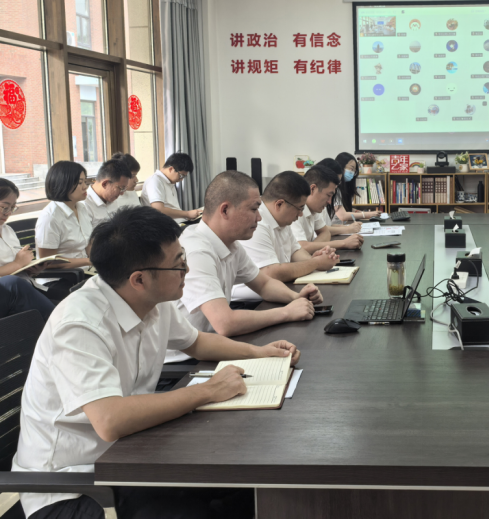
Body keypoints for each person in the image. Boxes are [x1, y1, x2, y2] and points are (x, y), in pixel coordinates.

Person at [12, 206, 300, 519]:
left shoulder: (150, 299)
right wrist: (208, 390)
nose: (187, 270)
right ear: (139, 279)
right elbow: (110, 421)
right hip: (71, 483)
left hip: (129, 454)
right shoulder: (80, 323)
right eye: (178, 264)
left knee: (245, 484)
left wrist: (259, 352)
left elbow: (196, 342)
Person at [174, 171, 320, 349]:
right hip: (189, 359)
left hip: (214, 345)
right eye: (253, 209)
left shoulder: (232, 245)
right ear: (225, 210)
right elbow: (225, 323)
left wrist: (296, 297)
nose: (259, 217)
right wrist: (287, 312)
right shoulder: (197, 251)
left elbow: (264, 284)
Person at [235, 172, 339, 289]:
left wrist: (315, 260)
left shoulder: (282, 220)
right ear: (279, 204)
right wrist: (316, 263)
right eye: (300, 208)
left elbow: (295, 252)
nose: (300, 214)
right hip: (250, 299)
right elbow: (271, 273)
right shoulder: (257, 223)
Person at [0, 178, 54, 321]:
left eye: (12, 208)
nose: (8, 213)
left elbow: (16, 269)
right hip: (8, 292)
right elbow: (11, 275)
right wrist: (17, 264)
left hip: (24, 289)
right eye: (4, 207)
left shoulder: (8, 231)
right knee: (12, 283)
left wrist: (30, 269)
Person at [291, 165, 364, 253]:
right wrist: (343, 243)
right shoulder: (294, 210)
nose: (330, 202)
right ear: (312, 189)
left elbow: (326, 233)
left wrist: (312, 248)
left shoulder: (314, 209)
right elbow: (301, 248)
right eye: (328, 195)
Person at [35, 161, 92, 270]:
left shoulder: (81, 208)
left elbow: (88, 245)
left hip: (85, 271)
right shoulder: (50, 217)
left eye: (85, 182)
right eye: (80, 183)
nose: (85, 187)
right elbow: (48, 262)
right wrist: (89, 261)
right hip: (62, 276)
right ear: (64, 184)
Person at [140, 152, 201, 223]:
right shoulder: (154, 181)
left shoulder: (169, 182)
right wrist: (187, 214)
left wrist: (187, 216)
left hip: (178, 222)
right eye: (181, 176)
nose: (181, 179)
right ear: (171, 169)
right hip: (165, 225)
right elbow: (158, 209)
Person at [316, 157, 362, 235]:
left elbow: (326, 227)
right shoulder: (310, 207)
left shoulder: (323, 203)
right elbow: (322, 231)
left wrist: (348, 227)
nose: (330, 201)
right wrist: (348, 230)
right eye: (336, 181)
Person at [83, 158, 132, 228]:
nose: (122, 193)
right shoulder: (85, 204)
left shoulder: (112, 198)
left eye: (124, 189)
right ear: (105, 184)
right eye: (121, 188)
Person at [333, 152, 381, 221]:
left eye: (354, 171)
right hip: (335, 226)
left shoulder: (345, 188)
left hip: (344, 225)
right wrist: (366, 215)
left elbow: (347, 208)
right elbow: (343, 216)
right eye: (351, 169)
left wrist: (361, 212)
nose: (352, 173)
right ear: (341, 166)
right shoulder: (334, 189)